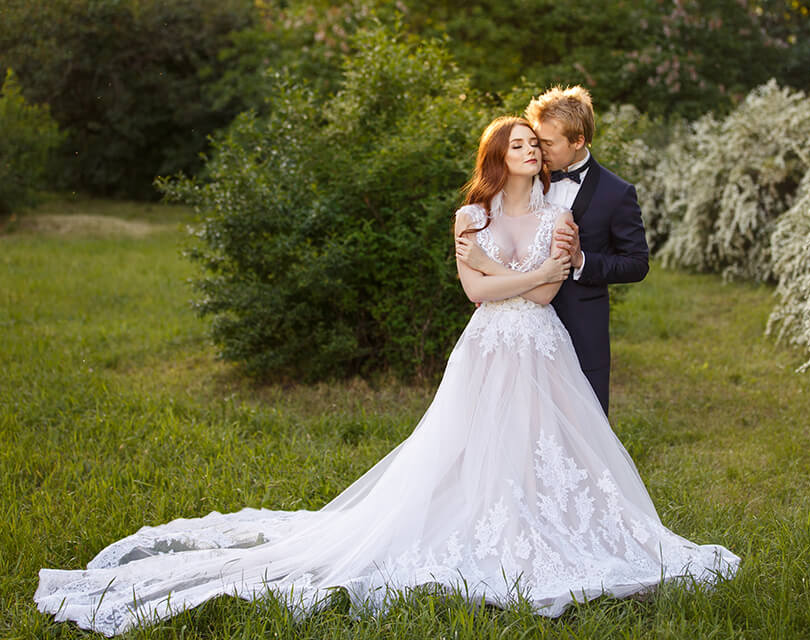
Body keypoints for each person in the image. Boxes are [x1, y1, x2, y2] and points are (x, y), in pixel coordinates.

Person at [34, 116, 738, 636]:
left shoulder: (560, 213)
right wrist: (514, 276)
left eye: (537, 144)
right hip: (486, 347)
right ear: (499, 156)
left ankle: (545, 526)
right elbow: (474, 294)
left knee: (544, 444)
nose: (533, 151)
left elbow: (551, 291)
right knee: (464, 445)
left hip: (538, 347)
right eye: (521, 144)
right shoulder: (470, 213)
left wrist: (506, 275)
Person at [457, 86, 649, 415]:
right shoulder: (526, 169)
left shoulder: (616, 194)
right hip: (510, 325)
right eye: (535, 140)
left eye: (547, 143)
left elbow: (636, 263)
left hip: (580, 323)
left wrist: (582, 260)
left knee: (584, 425)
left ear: (578, 141)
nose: (539, 151)